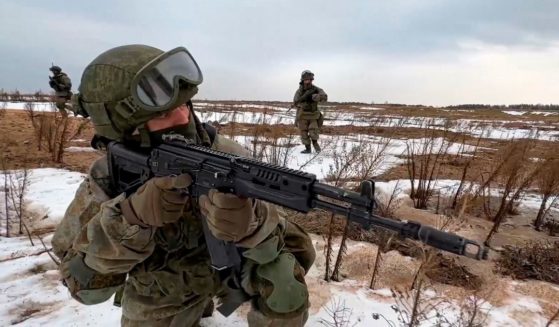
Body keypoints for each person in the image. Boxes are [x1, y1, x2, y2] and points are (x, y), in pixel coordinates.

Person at [51, 44, 316, 327]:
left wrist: (254, 224)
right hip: (160, 294)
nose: (182, 118)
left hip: (229, 275)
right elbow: (84, 288)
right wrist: (129, 219)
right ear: (126, 130)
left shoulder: (227, 155)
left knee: (283, 279)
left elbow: (299, 250)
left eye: (183, 105)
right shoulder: (108, 177)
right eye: (163, 114)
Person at [292, 70, 327, 153]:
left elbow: (325, 96)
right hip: (302, 115)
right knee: (303, 133)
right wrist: (302, 105)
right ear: (303, 80)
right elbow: (295, 102)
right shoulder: (299, 91)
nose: (308, 81)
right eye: (306, 80)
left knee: (313, 132)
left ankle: (316, 147)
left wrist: (318, 97)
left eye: (310, 80)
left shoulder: (316, 89)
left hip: (313, 115)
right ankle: (308, 149)